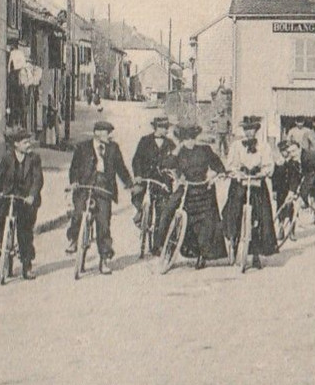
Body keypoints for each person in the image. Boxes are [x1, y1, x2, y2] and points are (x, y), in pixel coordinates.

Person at [65, 119, 131, 274]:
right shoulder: (82, 147)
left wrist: (129, 183)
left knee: (103, 223)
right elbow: (74, 167)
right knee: (78, 213)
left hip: (104, 188)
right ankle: (74, 239)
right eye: (106, 132)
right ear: (97, 133)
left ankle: (104, 259)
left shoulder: (113, 148)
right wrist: (74, 182)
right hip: (85, 186)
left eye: (109, 133)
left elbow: (121, 168)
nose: (109, 136)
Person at [166, 125, 226, 267]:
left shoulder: (205, 150)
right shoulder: (180, 153)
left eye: (192, 138)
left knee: (206, 223)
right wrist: (178, 150)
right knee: (177, 215)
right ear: (182, 140)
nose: (190, 142)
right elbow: (167, 164)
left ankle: (202, 254)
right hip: (188, 189)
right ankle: (168, 247)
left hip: (204, 189)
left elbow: (217, 164)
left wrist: (217, 174)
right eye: (186, 139)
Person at [224, 116, 279, 268]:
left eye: (252, 130)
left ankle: (256, 254)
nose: (249, 133)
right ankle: (234, 243)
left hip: (257, 183)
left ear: (256, 130)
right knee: (234, 212)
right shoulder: (236, 145)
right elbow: (231, 164)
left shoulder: (263, 145)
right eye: (246, 130)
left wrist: (263, 172)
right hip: (240, 183)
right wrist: (236, 173)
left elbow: (268, 164)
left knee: (260, 217)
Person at [0, 128, 43, 279]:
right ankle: (0, 243)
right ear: (16, 144)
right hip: (9, 195)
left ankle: (27, 266)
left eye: (29, 141)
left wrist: (32, 195)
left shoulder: (34, 158)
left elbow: (38, 179)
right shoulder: (7, 158)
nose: (29, 144)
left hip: (25, 199)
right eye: (25, 142)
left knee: (25, 231)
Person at [131, 117, 177, 245]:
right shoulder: (145, 141)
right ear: (156, 128)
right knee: (137, 193)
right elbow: (137, 159)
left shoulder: (170, 144)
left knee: (163, 210)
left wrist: (173, 172)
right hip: (146, 177)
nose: (165, 130)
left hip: (163, 180)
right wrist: (138, 175)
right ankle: (140, 216)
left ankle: (158, 243)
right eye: (162, 127)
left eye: (166, 127)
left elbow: (176, 161)